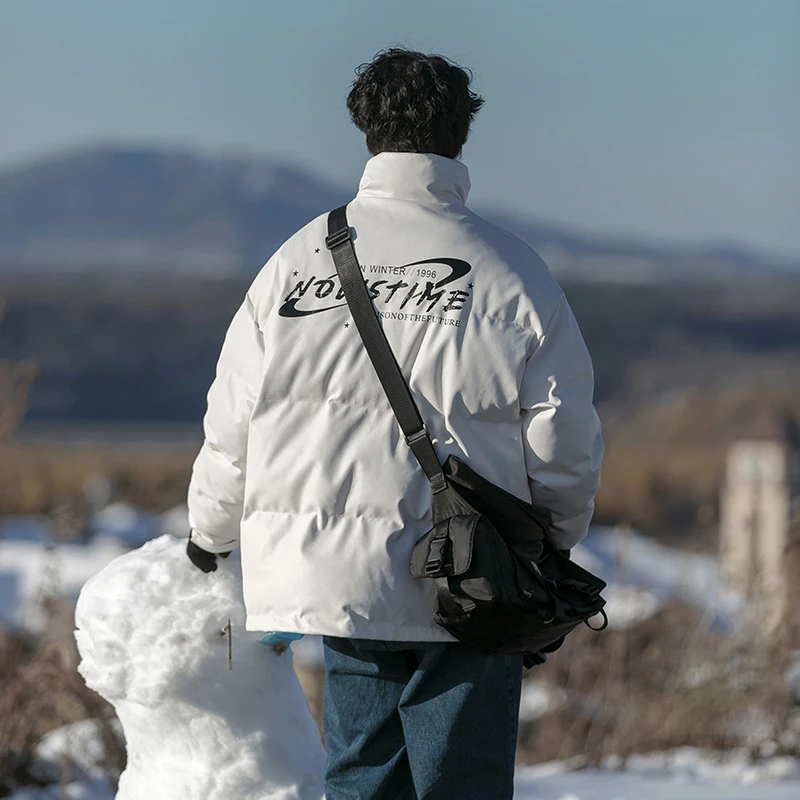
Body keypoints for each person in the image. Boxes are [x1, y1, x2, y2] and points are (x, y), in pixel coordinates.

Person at [186, 48, 603, 800]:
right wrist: (553, 538)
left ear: (365, 129)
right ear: (461, 134)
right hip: (474, 578)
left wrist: (209, 533)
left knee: (360, 780)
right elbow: (561, 435)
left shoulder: (295, 262)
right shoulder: (512, 273)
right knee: (462, 783)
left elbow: (234, 420)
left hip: (342, 575)